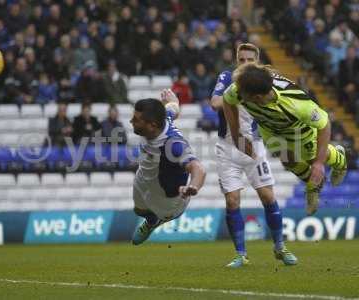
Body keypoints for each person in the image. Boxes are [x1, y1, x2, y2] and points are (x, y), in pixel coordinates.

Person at [210, 43, 297, 268]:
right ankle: (241, 254)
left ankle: (280, 247)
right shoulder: (227, 76)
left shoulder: (265, 80)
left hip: (254, 147)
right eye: (242, 60)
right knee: (232, 200)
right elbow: (215, 103)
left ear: (257, 61)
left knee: (268, 197)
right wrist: (236, 92)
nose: (246, 64)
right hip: (227, 148)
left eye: (250, 60)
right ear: (237, 61)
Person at [223, 63, 347, 218]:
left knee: (312, 160)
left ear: (257, 98)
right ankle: (313, 185)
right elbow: (227, 100)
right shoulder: (241, 89)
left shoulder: (296, 104)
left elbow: (325, 124)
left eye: (241, 92)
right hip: (270, 130)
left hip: (300, 131)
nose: (236, 91)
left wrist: (319, 163)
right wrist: (236, 135)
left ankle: (339, 160)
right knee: (287, 160)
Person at [130, 90, 206, 245]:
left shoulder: (173, 145)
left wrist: (193, 186)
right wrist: (173, 101)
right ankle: (151, 221)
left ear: (152, 125)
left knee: (158, 212)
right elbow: (173, 110)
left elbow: (198, 168)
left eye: (136, 120)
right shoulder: (163, 119)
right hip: (144, 176)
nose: (131, 121)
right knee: (138, 211)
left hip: (167, 198)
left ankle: (155, 222)